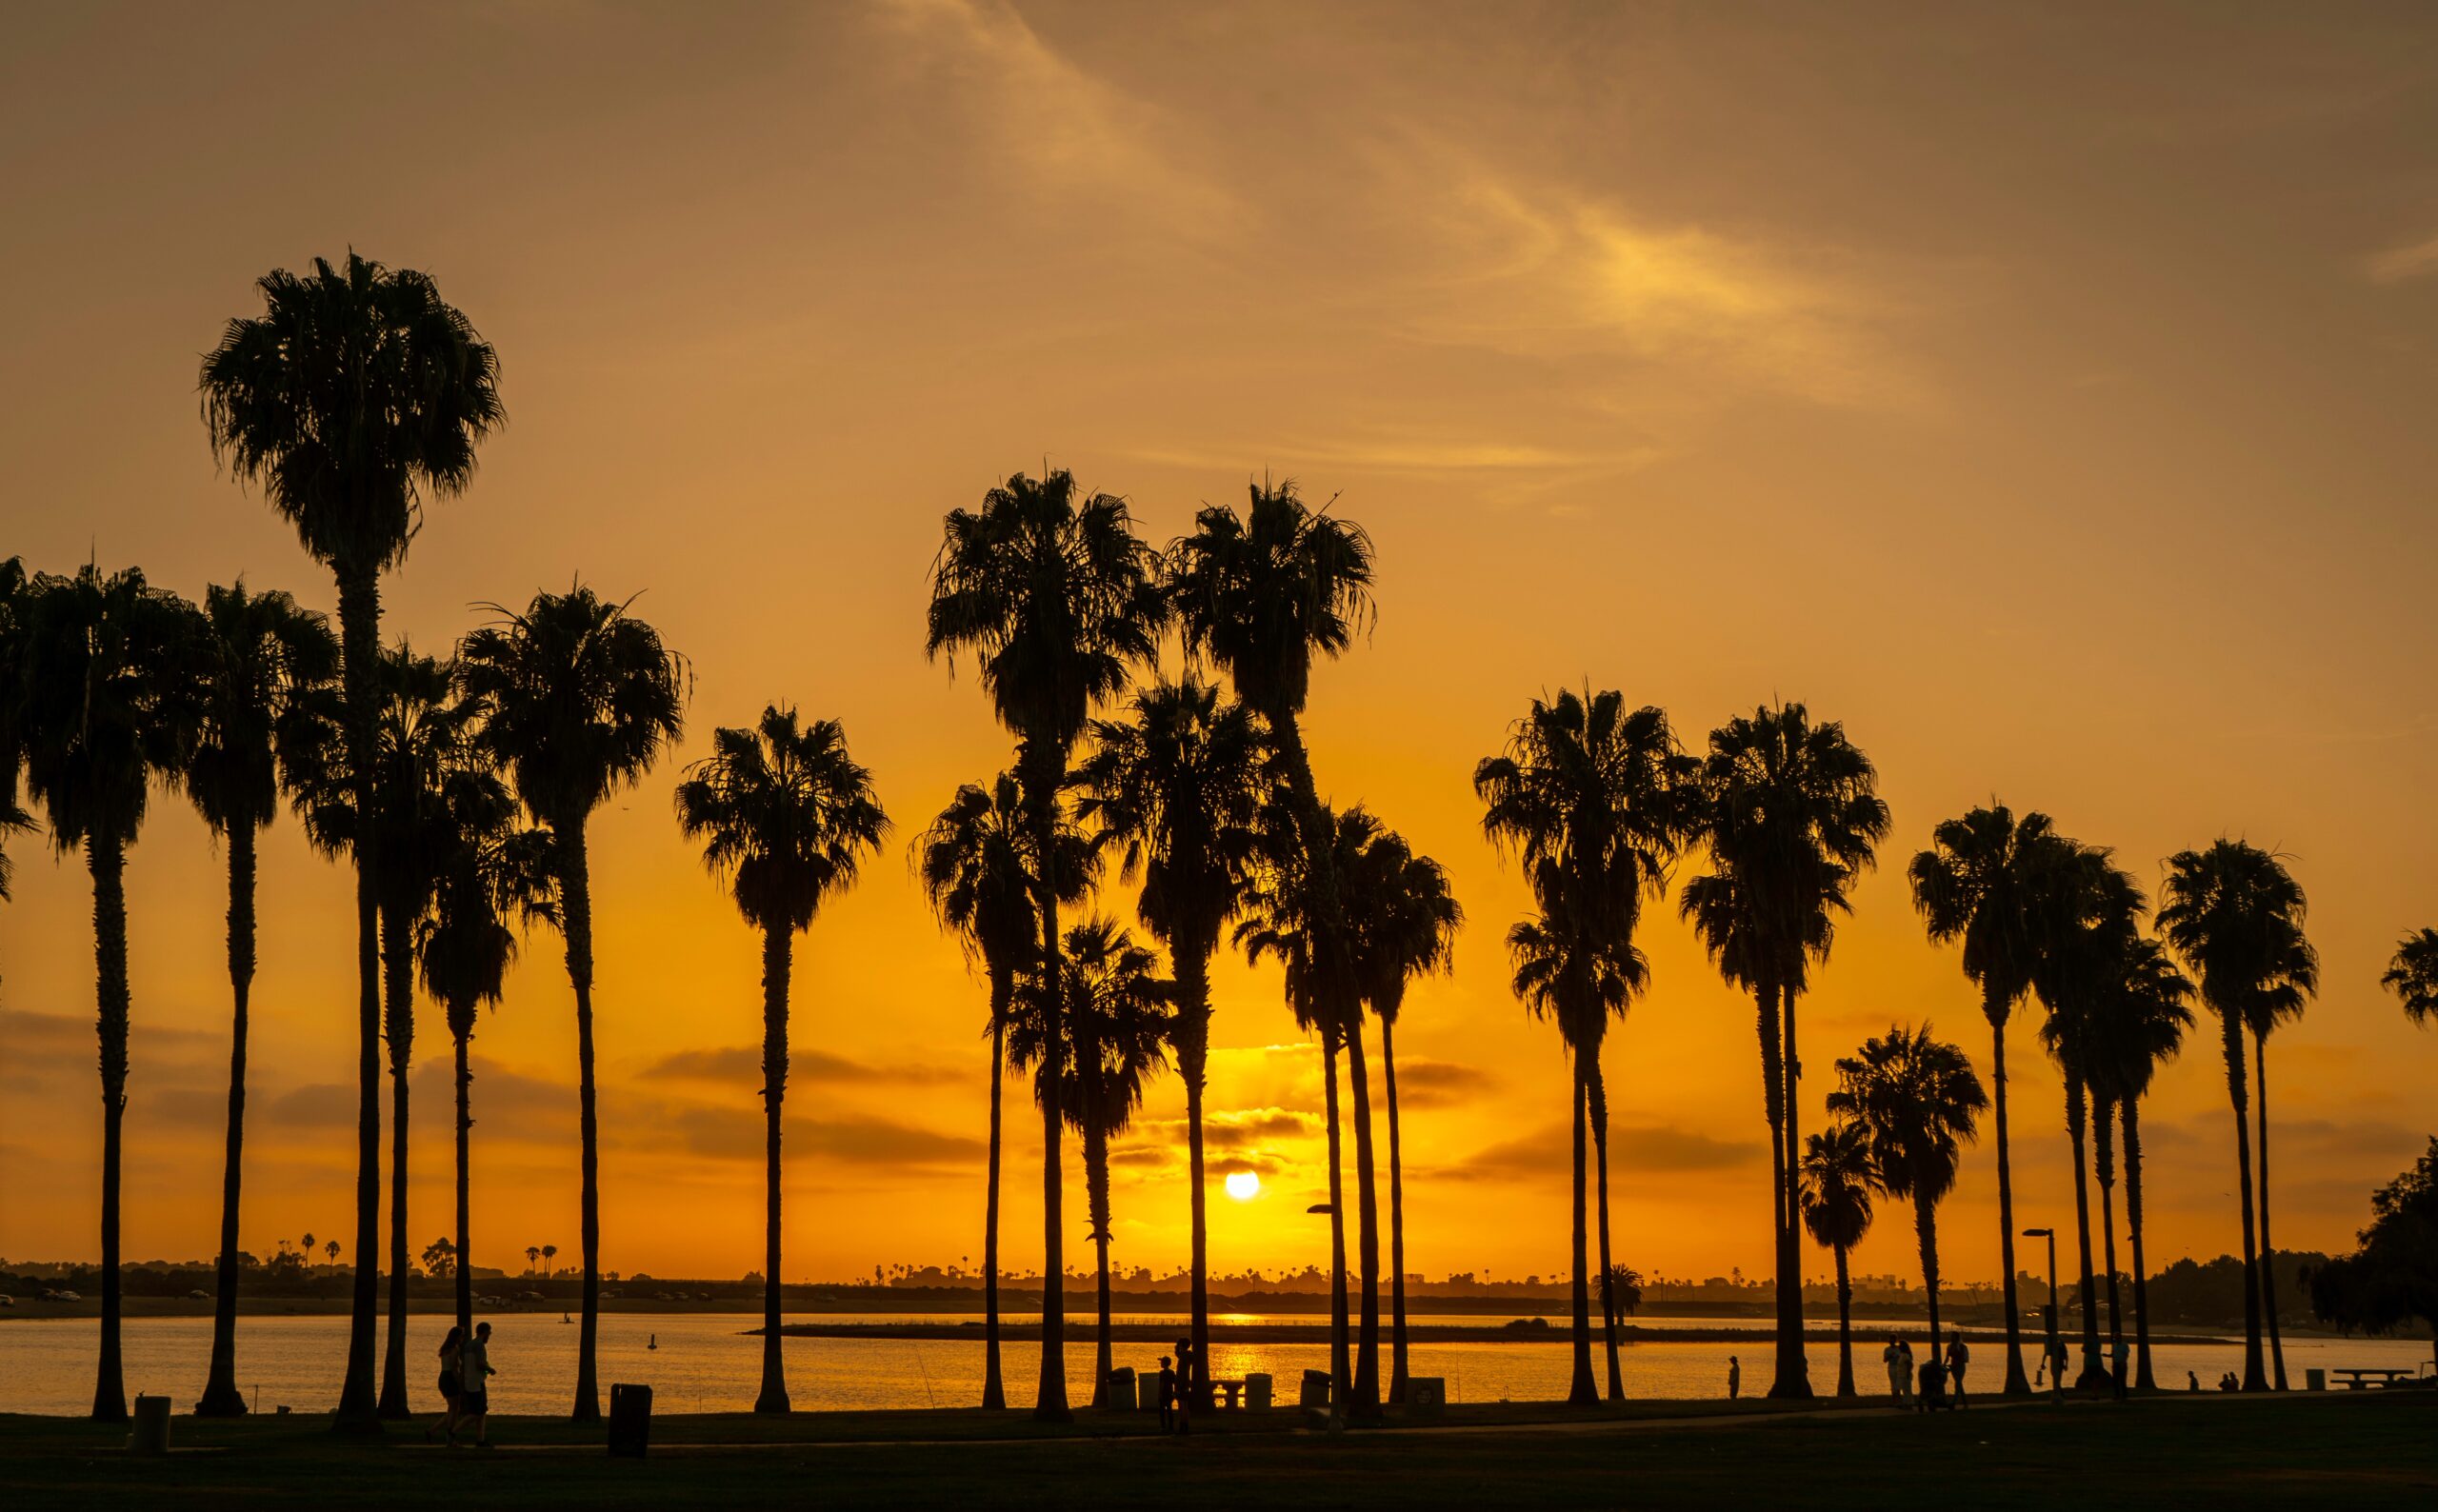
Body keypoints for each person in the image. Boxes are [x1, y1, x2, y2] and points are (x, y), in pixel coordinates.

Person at [457, 1321, 496, 1446]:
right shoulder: (479, 1345)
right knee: (476, 1413)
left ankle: (480, 1440)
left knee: (482, 1411)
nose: (489, 1335)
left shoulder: (469, 1345)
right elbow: (479, 1364)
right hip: (477, 1383)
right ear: (484, 1332)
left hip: (471, 1381)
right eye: (489, 1333)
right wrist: (490, 1370)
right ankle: (453, 1431)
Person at [428, 1325, 463, 1444]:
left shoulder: (445, 1349)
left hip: (443, 1377)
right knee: (454, 1410)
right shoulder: (455, 1349)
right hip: (449, 1379)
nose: (463, 1338)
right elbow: (454, 1369)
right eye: (462, 1335)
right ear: (457, 1337)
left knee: (452, 1409)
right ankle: (450, 1437)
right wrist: (460, 1383)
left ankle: (432, 1431)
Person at [1946, 1335, 1970, 1407]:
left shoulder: (1962, 1347)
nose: (1951, 1339)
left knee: (1957, 1384)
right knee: (1959, 1385)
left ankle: (1954, 1402)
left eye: (1953, 1338)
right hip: (1953, 1367)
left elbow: (1965, 1359)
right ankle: (1965, 1403)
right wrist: (1944, 1365)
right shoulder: (1950, 1346)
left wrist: (1956, 1363)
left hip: (1960, 1367)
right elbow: (1947, 1357)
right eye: (1951, 1338)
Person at [1157, 1356, 1178, 1433]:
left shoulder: (1162, 1373)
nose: (1160, 1363)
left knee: (1162, 1411)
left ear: (1165, 1364)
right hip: (1170, 1393)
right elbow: (1175, 1383)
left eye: (1161, 1362)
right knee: (1169, 1410)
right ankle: (1171, 1426)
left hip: (1164, 1394)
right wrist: (1175, 1392)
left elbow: (1161, 1384)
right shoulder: (1172, 1372)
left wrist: (1159, 1393)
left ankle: (1163, 1426)